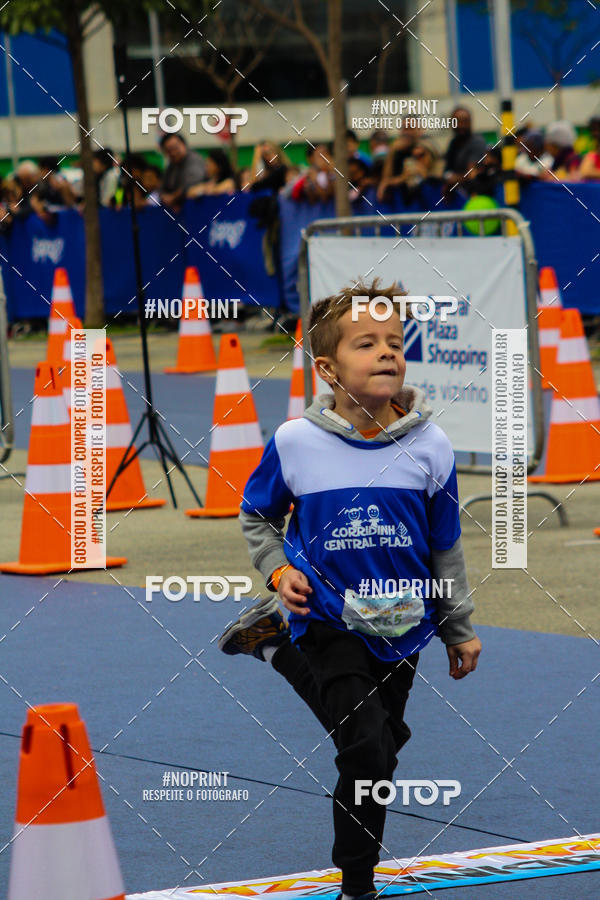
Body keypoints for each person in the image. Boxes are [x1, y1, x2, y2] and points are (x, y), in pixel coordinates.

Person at [218, 278, 481, 900]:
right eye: (368, 344)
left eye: (395, 342)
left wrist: (459, 626)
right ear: (329, 369)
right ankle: (357, 886)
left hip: (402, 624)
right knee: (365, 750)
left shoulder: (430, 446)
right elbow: (257, 515)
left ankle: (274, 648)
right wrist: (279, 570)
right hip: (328, 619)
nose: (388, 352)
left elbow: (445, 547)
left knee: (381, 751)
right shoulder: (295, 442)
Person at [159, 133, 206, 211]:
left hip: (198, 209)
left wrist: (173, 198)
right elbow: (162, 187)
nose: (173, 153)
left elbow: (191, 185)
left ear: (183, 144)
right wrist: (164, 197)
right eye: (168, 151)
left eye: (175, 148)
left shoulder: (193, 160)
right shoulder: (171, 166)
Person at [443, 107, 487, 191]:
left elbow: (471, 174)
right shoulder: (453, 143)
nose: (461, 125)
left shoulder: (477, 142)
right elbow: (446, 169)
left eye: (465, 121)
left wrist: (453, 179)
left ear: (470, 122)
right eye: (457, 121)